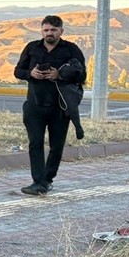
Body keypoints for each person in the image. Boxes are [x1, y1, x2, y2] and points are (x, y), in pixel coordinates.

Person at [13, 15, 86, 196]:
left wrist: (59, 75)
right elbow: (17, 71)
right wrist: (31, 73)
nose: (49, 33)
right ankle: (38, 182)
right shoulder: (32, 48)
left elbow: (82, 75)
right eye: (46, 30)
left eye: (53, 30)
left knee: (56, 146)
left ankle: (47, 180)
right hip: (34, 105)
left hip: (59, 107)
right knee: (35, 143)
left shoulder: (71, 49)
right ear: (41, 31)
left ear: (61, 31)